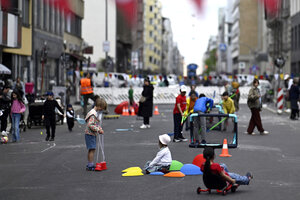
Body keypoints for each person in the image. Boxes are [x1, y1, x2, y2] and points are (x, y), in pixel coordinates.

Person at [84, 98, 106, 171]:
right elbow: (91, 125)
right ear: (99, 106)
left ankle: (89, 163)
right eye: (101, 109)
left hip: (89, 133)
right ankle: (90, 165)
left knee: (91, 149)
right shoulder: (93, 114)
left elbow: (94, 124)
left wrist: (99, 128)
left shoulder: (93, 112)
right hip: (90, 134)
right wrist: (98, 129)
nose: (101, 110)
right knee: (92, 149)